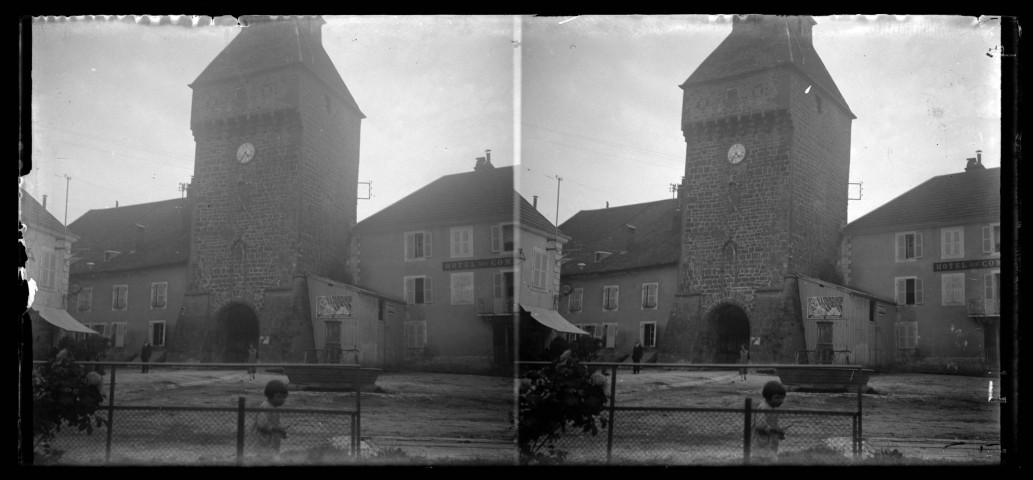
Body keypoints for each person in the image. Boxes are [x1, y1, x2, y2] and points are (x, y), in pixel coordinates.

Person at [248, 379, 290, 462]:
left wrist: (281, 432)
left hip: (270, 443)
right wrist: (276, 429)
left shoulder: (274, 408)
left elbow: (274, 424)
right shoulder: (266, 407)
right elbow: (262, 425)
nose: (282, 400)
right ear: (270, 396)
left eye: (284, 397)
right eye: (279, 397)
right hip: (261, 444)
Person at [751, 380, 787, 463]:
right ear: (768, 397)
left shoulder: (773, 408)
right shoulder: (763, 407)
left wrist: (779, 432)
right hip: (761, 443)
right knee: (772, 460)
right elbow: (760, 424)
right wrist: (772, 429)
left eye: (782, 398)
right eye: (777, 398)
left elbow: (773, 424)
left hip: (770, 443)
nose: (780, 400)